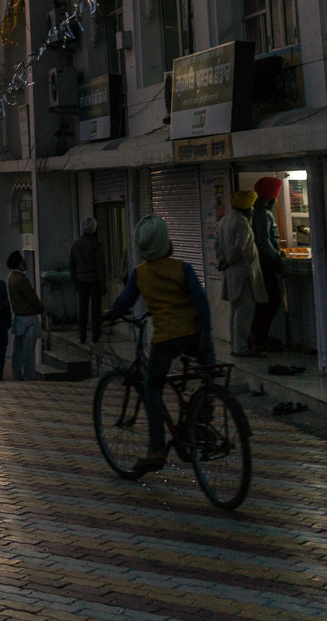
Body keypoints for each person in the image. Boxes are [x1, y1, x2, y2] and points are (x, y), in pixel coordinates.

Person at [103, 214, 215, 475]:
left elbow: (124, 303)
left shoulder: (140, 274)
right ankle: (206, 411)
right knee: (208, 371)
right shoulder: (182, 268)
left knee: (152, 388)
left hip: (165, 340)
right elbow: (200, 301)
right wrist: (206, 333)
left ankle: (156, 447)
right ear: (168, 244)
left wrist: (108, 314)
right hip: (193, 334)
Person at [216, 189, 266, 356]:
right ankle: (241, 348)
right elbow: (240, 247)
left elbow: (218, 245)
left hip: (231, 273)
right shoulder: (242, 222)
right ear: (248, 207)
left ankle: (235, 345)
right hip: (243, 274)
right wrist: (228, 261)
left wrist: (223, 261)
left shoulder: (225, 220)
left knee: (235, 311)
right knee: (244, 312)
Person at [250, 177, 285, 353]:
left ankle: (257, 337)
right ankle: (259, 339)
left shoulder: (254, 210)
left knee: (263, 301)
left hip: (259, 262)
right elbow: (264, 241)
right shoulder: (262, 213)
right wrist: (276, 257)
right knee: (271, 301)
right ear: (273, 195)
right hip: (265, 263)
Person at [69, 217, 106, 344]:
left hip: (81, 281)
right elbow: (100, 266)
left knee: (83, 309)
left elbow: (72, 264)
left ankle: (82, 336)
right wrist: (103, 284)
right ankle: (96, 335)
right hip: (95, 281)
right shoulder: (97, 245)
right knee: (96, 309)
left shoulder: (76, 244)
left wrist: (74, 281)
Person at [7, 251, 43, 381]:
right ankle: (29, 376)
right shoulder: (22, 279)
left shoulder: (11, 277)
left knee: (18, 351)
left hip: (19, 318)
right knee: (28, 351)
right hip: (28, 318)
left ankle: (17, 375)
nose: (25, 262)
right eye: (22, 260)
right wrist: (40, 308)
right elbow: (32, 298)